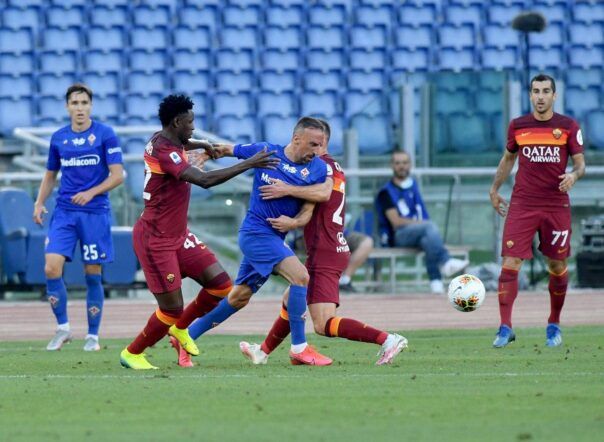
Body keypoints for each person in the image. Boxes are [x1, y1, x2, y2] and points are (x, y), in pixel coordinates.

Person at [119, 94, 279, 370]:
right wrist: (248, 163)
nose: (193, 127)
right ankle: (132, 353)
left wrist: (203, 144)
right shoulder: (165, 151)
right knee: (171, 309)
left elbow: (184, 144)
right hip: (155, 239)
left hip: (178, 235)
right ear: (176, 122)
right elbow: (204, 180)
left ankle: (180, 329)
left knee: (221, 285)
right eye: (190, 122)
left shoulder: (165, 139)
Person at [237, 119, 407, 366]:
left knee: (323, 323)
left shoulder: (321, 169)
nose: (311, 149)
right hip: (330, 246)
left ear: (323, 141)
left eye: (316, 143)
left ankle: (388, 339)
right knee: (291, 299)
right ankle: (262, 352)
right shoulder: (331, 167)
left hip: (326, 250)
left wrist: (286, 191)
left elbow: (318, 199)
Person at [169, 116, 334, 366]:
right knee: (301, 277)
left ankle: (186, 336)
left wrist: (293, 222)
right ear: (296, 139)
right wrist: (205, 155)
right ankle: (299, 348)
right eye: (313, 144)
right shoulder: (267, 152)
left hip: (275, 237)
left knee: (239, 297)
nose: (317, 151)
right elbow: (227, 149)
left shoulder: (318, 169)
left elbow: (312, 205)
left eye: (321, 145)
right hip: (255, 234)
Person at [489, 74, 585, 348]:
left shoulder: (568, 126)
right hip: (523, 203)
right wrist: (494, 189)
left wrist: (573, 176)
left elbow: (580, 164)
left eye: (545, 91)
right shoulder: (518, 126)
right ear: (530, 95)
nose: (540, 96)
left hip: (556, 205)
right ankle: (505, 327)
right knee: (510, 261)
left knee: (557, 265)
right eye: (536, 91)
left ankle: (554, 324)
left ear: (554, 95)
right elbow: (508, 159)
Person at [33, 83, 124, 352]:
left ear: (91, 106)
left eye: (84, 103)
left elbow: (118, 175)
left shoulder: (105, 134)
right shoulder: (59, 138)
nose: (80, 108)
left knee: (92, 273)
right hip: (64, 212)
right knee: (51, 267)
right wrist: (39, 202)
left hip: (94, 213)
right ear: (67, 107)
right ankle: (63, 328)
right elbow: (50, 174)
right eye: (75, 103)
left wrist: (91, 192)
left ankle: (92, 336)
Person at [375, 150, 469, 294]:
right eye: (398, 163)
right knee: (429, 227)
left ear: (410, 164)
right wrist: (420, 224)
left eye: (405, 162)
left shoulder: (413, 186)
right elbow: (396, 222)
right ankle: (445, 261)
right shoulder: (385, 192)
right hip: (397, 236)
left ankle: (436, 283)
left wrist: (422, 224)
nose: (402, 166)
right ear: (392, 165)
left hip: (419, 233)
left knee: (427, 240)